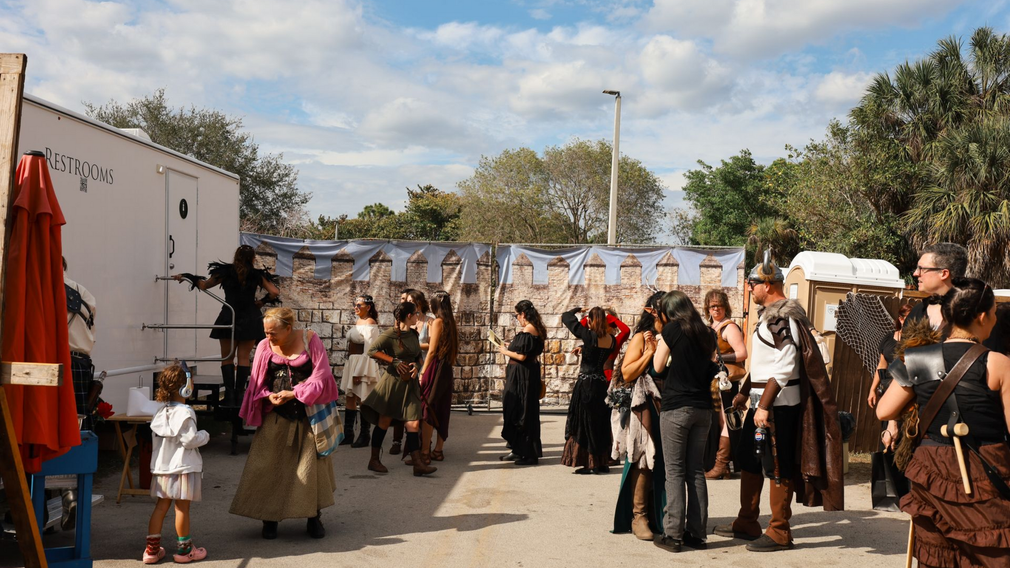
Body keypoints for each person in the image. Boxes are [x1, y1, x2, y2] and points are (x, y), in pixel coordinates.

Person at [714, 253, 844, 552]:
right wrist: (745, 394)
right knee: (748, 459)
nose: (750, 288)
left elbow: (785, 364)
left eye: (753, 283)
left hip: (778, 407)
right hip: (762, 403)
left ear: (769, 284)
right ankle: (747, 521)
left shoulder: (782, 318)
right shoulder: (771, 317)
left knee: (776, 464)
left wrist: (763, 405)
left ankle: (779, 531)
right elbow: (763, 363)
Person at [877, 278, 1010, 568]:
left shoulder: (917, 358)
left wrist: (921, 395)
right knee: (990, 548)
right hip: (985, 465)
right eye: (995, 313)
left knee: (937, 552)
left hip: (931, 465)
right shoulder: (999, 362)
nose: (997, 319)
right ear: (982, 316)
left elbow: (883, 410)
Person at [230, 308, 338, 540]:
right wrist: (268, 395)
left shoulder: (310, 339)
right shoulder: (263, 347)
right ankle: (269, 519)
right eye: (266, 332)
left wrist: (295, 393)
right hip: (276, 418)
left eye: (273, 333)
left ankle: (313, 517)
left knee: (310, 472)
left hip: (308, 417)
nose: (269, 337)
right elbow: (258, 382)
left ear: (289, 328)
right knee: (268, 468)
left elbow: (322, 375)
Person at [173, 245, 280, 414]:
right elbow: (274, 291)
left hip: (229, 316)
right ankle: (240, 396)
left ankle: (229, 396)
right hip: (250, 317)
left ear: (236, 256)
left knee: (227, 357)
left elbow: (203, 285)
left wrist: (187, 276)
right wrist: (261, 301)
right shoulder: (256, 275)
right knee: (244, 357)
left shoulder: (225, 272)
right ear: (252, 258)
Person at [650, 291, 719, 553]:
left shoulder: (672, 330)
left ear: (669, 311)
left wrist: (660, 343)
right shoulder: (707, 332)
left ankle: (673, 535)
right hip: (703, 410)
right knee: (695, 472)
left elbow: (657, 367)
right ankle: (697, 534)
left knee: (675, 472)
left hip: (676, 407)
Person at [612, 291, 666, 541]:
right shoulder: (641, 338)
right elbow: (627, 372)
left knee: (663, 462)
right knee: (644, 457)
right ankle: (639, 516)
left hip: (668, 404)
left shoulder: (672, 334)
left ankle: (660, 514)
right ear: (651, 312)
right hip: (645, 406)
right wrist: (649, 352)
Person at [361, 301, 437, 476]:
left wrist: (417, 367)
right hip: (392, 384)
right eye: (416, 314)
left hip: (410, 385)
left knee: (413, 422)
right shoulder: (391, 334)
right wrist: (393, 361)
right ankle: (374, 460)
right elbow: (372, 350)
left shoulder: (413, 333)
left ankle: (418, 464)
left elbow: (418, 356)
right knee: (384, 422)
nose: (418, 317)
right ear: (409, 316)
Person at [144, 364, 209, 564]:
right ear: (186, 387)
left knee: (160, 507)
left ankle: (152, 551)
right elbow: (189, 440)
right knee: (181, 509)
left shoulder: (161, 411)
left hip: (163, 469)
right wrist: (204, 436)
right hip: (183, 468)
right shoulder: (186, 413)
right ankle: (185, 550)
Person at [561, 306, 615, 474]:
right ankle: (602, 463)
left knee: (584, 423)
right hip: (601, 385)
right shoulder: (611, 340)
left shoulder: (588, 335)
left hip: (586, 385)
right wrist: (584, 349)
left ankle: (588, 463)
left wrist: (576, 310)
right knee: (600, 423)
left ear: (591, 320)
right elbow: (598, 349)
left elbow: (567, 317)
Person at [704, 289, 748, 480]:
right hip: (714, 381)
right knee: (720, 421)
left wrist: (718, 358)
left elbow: (742, 353)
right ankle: (724, 466)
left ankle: (722, 464)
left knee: (726, 421)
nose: (716, 309)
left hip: (726, 382)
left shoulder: (729, 327)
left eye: (719, 306)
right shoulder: (712, 326)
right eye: (712, 306)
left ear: (725, 307)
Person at [499, 300, 547, 466]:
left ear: (523, 314)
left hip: (522, 377)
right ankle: (519, 450)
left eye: (517, 315)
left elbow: (521, 356)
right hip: (525, 375)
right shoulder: (535, 330)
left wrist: (505, 350)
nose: (517, 318)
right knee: (521, 409)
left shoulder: (528, 330)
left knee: (520, 410)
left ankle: (526, 453)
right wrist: (510, 345)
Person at [418, 291, 459, 464]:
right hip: (447, 368)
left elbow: (432, 350)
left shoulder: (437, 322)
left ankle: (425, 451)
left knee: (428, 407)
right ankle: (438, 450)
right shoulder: (451, 323)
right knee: (442, 407)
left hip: (436, 367)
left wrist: (423, 371)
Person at [341, 295, 380, 448]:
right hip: (352, 361)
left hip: (362, 364)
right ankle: (348, 434)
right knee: (350, 398)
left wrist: (359, 372)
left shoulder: (371, 323)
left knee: (363, 398)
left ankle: (365, 435)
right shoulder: (359, 321)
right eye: (354, 304)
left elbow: (369, 350)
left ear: (368, 307)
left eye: (359, 305)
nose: (355, 307)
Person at [63, 257, 98, 431]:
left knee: (62, 420)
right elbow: (92, 332)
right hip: (81, 360)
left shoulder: (46, 288)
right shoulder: (83, 292)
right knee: (79, 419)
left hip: (63, 360)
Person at [904, 242, 967, 333]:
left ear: (944, 273)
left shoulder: (974, 315)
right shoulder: (917, 312)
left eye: (922, 269)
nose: (915, 274)